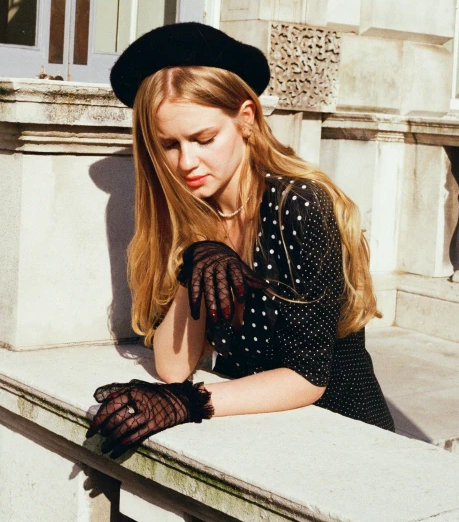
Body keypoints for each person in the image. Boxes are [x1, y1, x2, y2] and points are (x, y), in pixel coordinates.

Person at [87, 22, 394, 459]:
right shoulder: (197, 209)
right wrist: (193, 260)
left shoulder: (301, 205)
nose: (186, 161)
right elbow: (174, 367)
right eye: (169, 145)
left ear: (245, 119)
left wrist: (189, 403)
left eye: (203, 139)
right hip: (260, 434)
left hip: (344, 437)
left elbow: (307, 377)